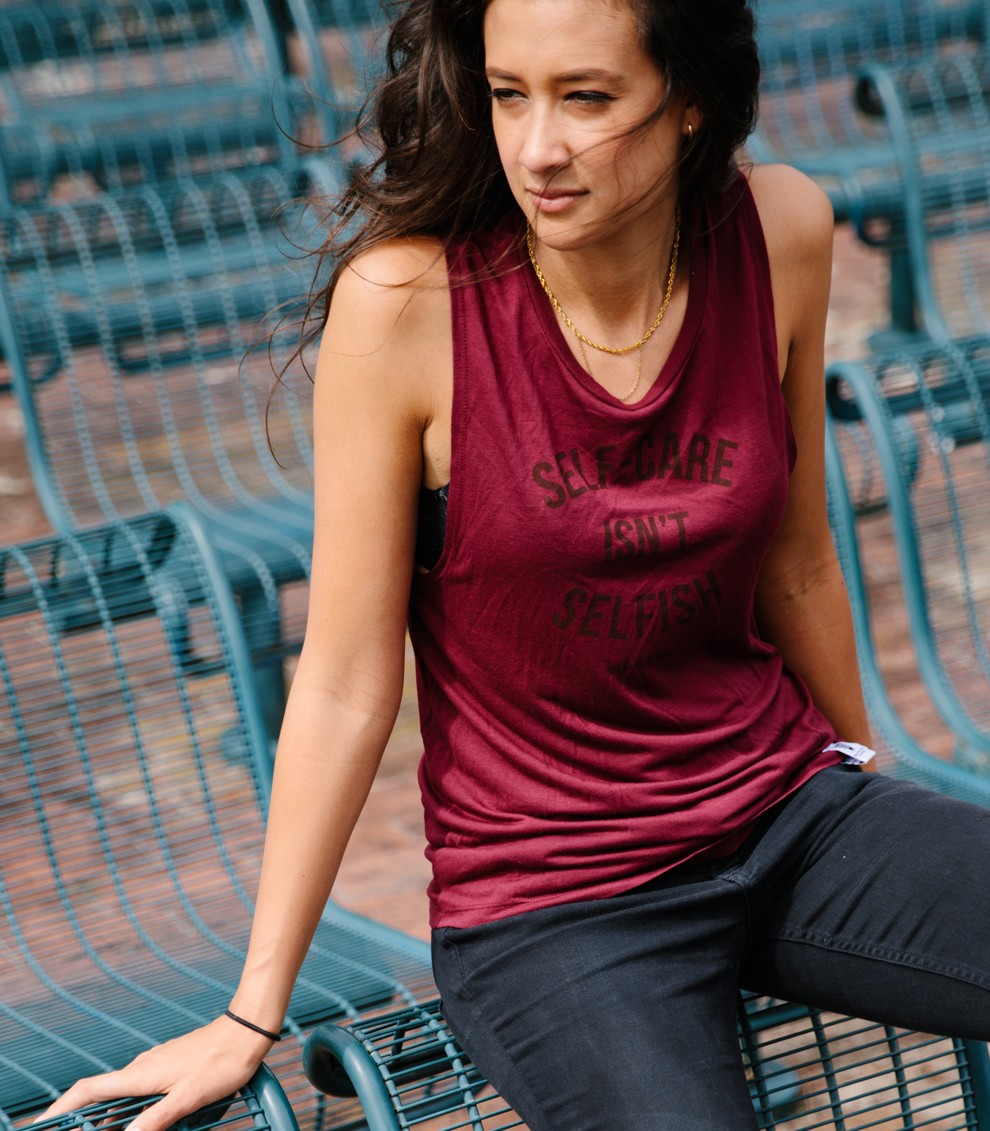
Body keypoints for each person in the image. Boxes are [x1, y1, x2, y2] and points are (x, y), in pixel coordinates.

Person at [41, 0, 990, 1128]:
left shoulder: (780, 228)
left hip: (783, 808)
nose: (538, 145)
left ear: (690, 103)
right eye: (508, 94)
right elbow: (346, 681)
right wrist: (253, 1012)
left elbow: (796, 561)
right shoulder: (406, 307)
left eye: (587, 97)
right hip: (558, 907)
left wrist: (854, 774)